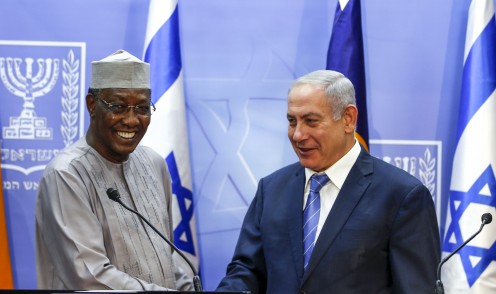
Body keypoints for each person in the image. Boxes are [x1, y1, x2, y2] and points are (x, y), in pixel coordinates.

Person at [216, 70, 440, 293]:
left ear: (348, 119)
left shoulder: (402, 196)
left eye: (311, 121)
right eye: (292, 121)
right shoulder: (272, 189)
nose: (298, 135)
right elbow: (247, 271)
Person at [35, 50, 193, 291]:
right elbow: (89, 276)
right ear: (92, 105)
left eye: (141, 108)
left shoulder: (154, 163)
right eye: (118, 106)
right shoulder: (66, 175)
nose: (131, 120)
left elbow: (167, 254)